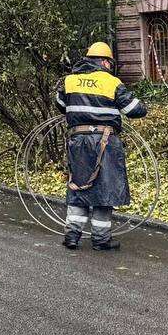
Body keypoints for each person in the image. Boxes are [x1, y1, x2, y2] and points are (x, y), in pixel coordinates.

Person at [55, 41, 146, 252]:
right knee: (105, 189)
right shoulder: (111, 82)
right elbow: (134, 109)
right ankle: (100, 239)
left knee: (79, 185)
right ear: (105, 62)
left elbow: (60, 105)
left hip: (78, 142)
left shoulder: (70, 81)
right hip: (105, 143)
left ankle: (72, 235)